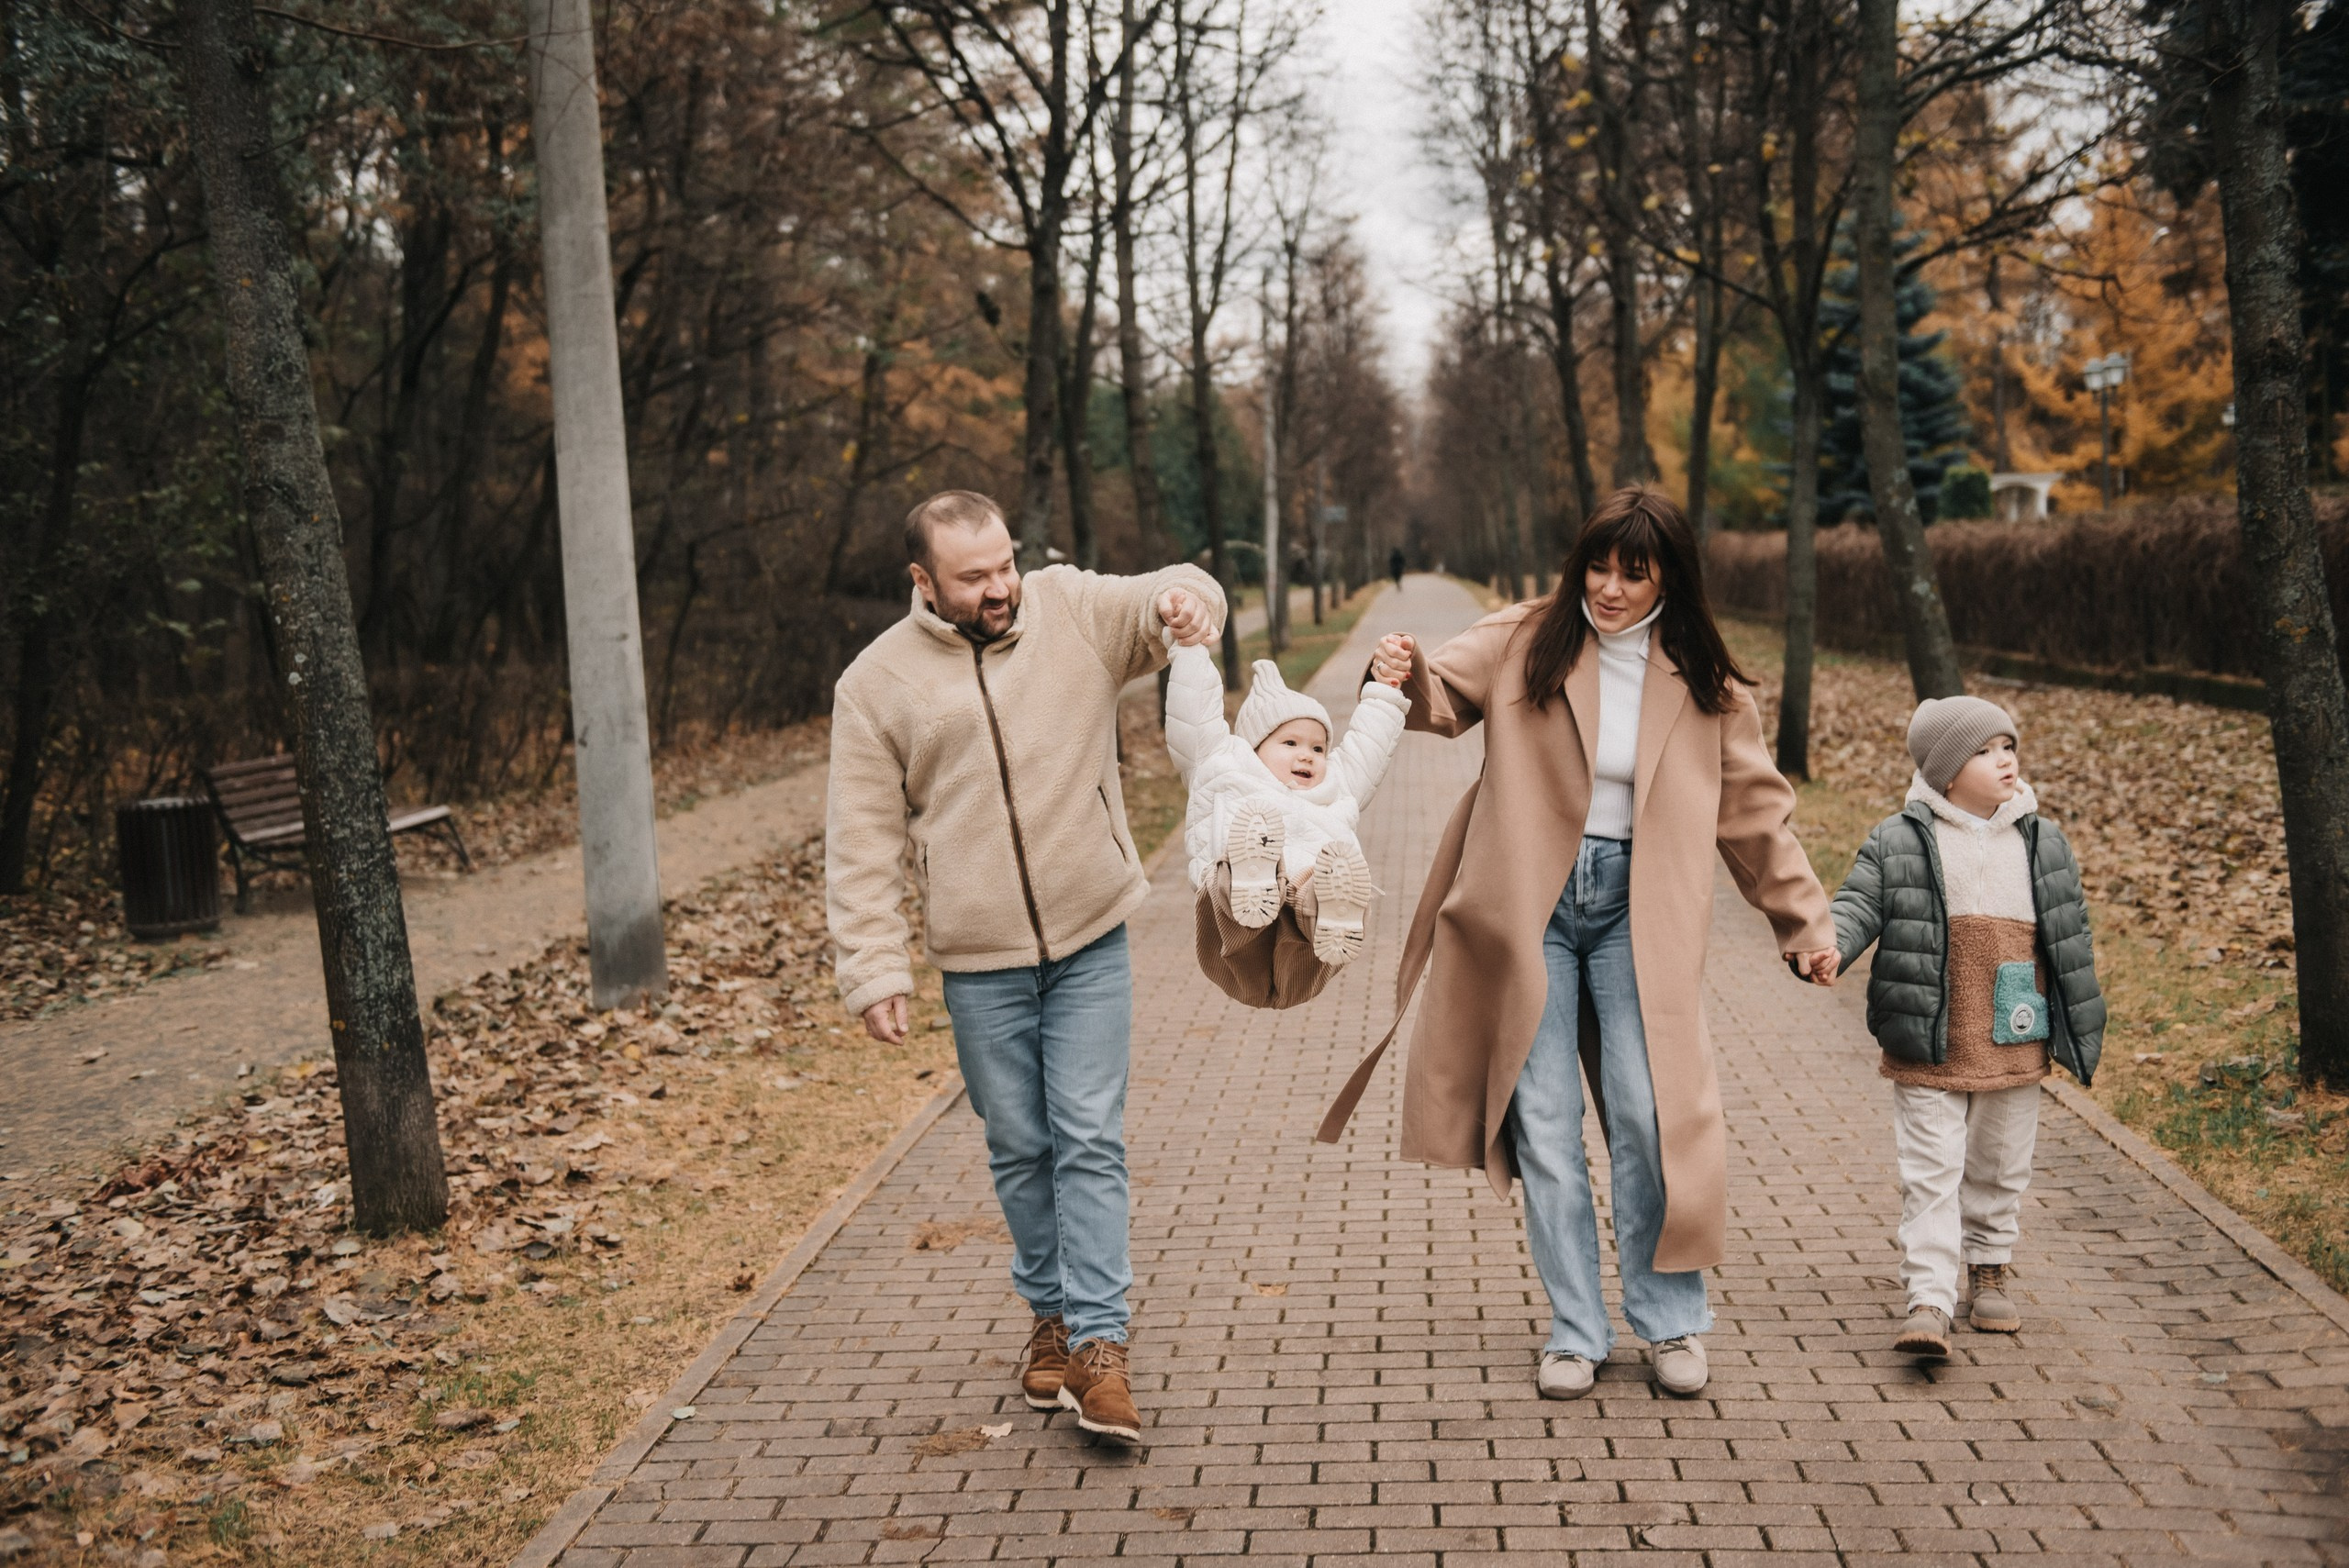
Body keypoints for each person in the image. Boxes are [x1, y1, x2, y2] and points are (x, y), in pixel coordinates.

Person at [1320, 484, 1839, 1400]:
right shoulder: (1526, 635)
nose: (1607, 588)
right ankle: (1574, 1327)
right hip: (1532, 908)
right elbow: (1435, 699)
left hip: (1639, 913)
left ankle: (1670, 1318)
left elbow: (1754, 811)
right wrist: (1393, 665)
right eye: (1597, 566)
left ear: (1666, 578)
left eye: (1631, 574)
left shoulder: (1703, 679)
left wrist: (1801, 919)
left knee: (1648, 1114)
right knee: (1546, 1124)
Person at [825, 490, 1223, 1442]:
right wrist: (872, 964)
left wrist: (1187, 599)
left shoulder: (1066, 608)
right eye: (974, 576)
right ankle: (1047, 1313)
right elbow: (862, 837)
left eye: (1004, 563)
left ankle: (1099, 1343)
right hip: (978, 959)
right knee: (1020, 1146)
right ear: (923, 579)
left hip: (1089, 934)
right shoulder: (875, 683)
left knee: (1087, 1134)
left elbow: (1166, 590)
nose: (1000, 586)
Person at [1829, 696, 2104, 1357]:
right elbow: (1858, 902)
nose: (2004, 758)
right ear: (1946, 771)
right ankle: (1928, 1294)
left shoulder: (2040, 840)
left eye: (2008, 744)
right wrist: (1830, 946)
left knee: (2000, 1161)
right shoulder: (1899, 838)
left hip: (2015, 1031)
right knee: (1932, 1167)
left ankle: (1989, 1263)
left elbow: (2071, 934)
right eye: (1984, 750)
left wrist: (2080, 1014)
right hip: (1930, 1032)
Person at [1163, 643, 1408, 1007]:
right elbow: (1194, 719)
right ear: (1255, 748)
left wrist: (1386, 691)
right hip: (1230, 924)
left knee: (1315, 885)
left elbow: (1367, 747)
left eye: (1318, 748)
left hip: (1305, 939)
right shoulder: (1225, 770)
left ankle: (1333, 907)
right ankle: (1253, 874)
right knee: (1230, 870)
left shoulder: (1335, 788)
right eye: (1290, 742)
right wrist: (1189, 650)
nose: (1306, 755)